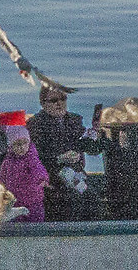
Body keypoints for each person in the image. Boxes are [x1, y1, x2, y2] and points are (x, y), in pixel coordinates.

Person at [26, 85, 104, 220]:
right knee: (72, 201)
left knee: (94, 200)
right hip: (51, 178)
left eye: (63, 99)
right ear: (43, 104)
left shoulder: (74, 120)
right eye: (54, 100)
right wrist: (59, 158)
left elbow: (89, 147)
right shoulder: (35, 124)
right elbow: (34, 157)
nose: (59, 103)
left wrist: (96, 136)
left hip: (75, 175)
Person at [0, 123, 47, 222]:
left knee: (34, 223)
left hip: (32, 201)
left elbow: (40, 172)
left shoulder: (31, 159)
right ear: (11, 146)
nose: (21, 147)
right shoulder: (8, 161)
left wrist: (41, 180)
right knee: (15, 225)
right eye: (17, 144)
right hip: (14, 202)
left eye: (24, 143)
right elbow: (3, 178)